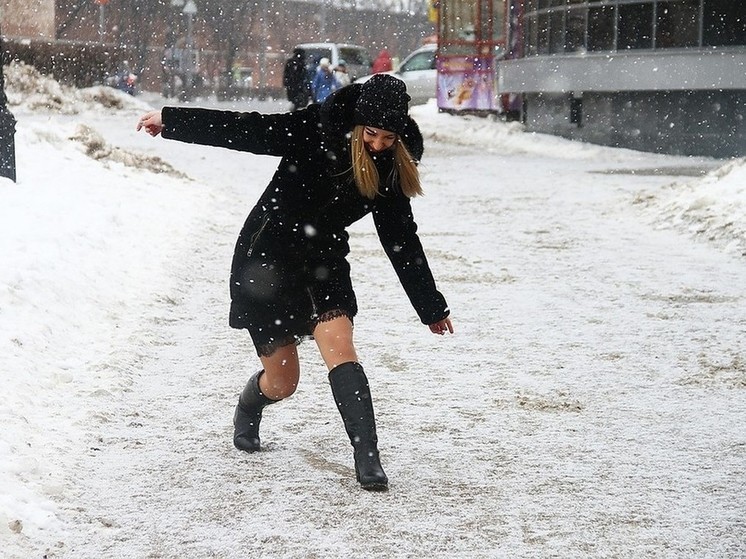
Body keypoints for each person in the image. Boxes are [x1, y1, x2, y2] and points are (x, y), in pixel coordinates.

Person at [136, 74, 454, 491]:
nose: (377, 145)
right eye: (371, 134)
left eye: (388, 137)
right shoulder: (313, 130)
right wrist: (173, 121)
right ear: (358, 123)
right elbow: (247, 129)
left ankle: (367, 456)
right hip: (267, 258)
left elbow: (401, 241)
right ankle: (251, 405)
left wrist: (431, 307)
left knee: (341, 345)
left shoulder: (392, 166)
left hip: (324, 261)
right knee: (284, 383)